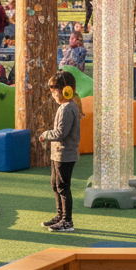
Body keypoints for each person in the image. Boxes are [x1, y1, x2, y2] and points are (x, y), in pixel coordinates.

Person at [38, 70, 82, 233]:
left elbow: (61, 132)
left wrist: (45, 134)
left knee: (63, 187)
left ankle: (67, 220)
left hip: (65, 154)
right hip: (58, 154)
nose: (53, 95)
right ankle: (60, 215)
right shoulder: (67, 106)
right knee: (55, 185)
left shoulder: (67, 108)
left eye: (54, 91)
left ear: (65, 90)